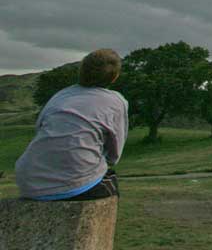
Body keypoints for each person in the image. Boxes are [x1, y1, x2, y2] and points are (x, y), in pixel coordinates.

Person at [15, 49, 128, 201]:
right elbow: (114, 155)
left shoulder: (61, 95)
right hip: (74, 182)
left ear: (81, 71)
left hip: (28, 180)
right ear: (114, 77)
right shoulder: (116, 101)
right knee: (110, 184)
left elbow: (40, 127)